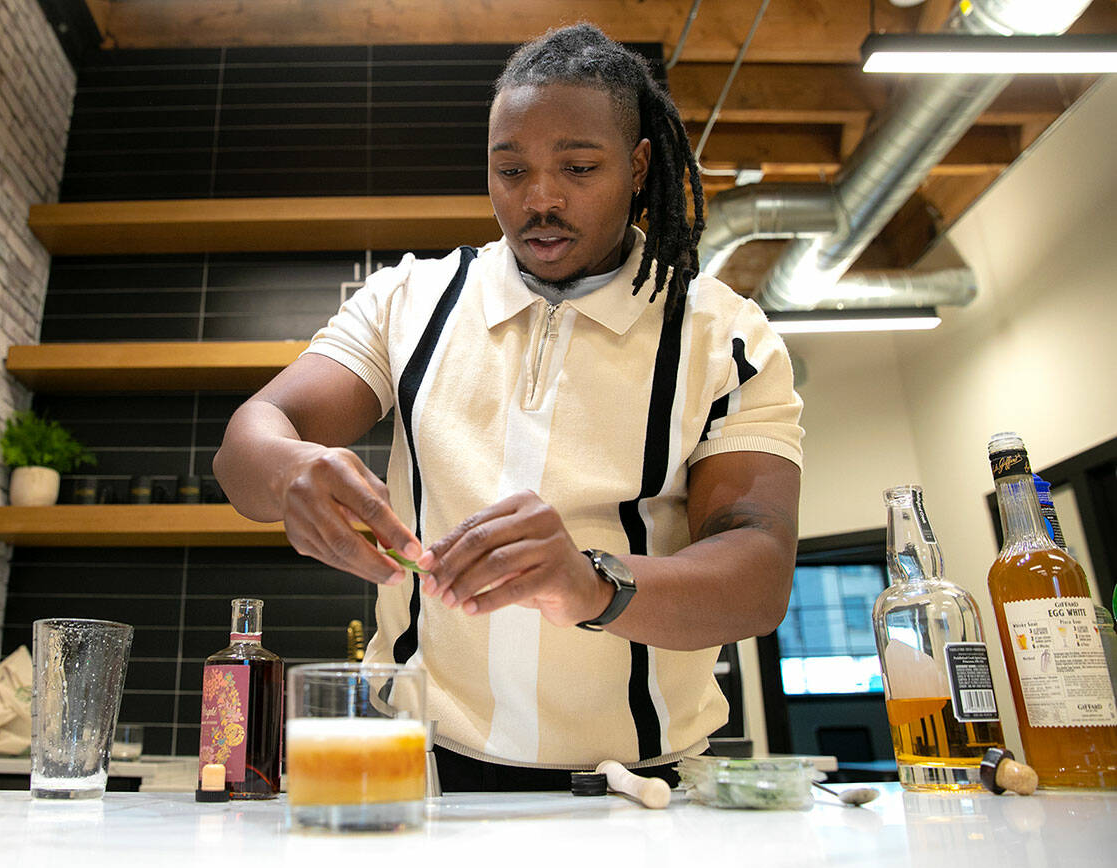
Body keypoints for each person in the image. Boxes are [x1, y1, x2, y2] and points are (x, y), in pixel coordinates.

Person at [213, 23, 803, 791]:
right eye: (510, 169)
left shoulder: (724, 336)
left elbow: (758, 575)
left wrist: (593, 584)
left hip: (637, 789)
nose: (540, 199)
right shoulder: (409, 300)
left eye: (579, 168)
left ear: (638, 166)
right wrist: (289, 468)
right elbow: (245, 445)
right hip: (416, 774)